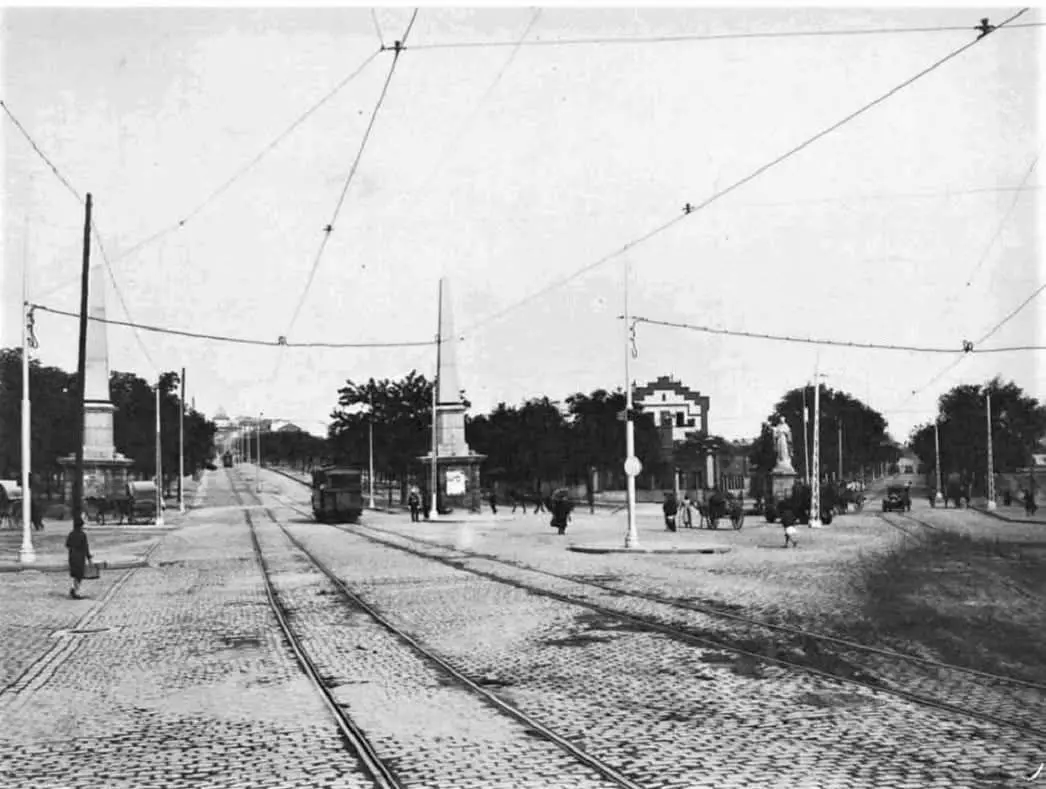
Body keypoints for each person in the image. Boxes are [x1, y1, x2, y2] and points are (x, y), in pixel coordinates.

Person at [65, 521, 92, 600]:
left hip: (72, 556)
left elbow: (67, 545)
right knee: (79, 575)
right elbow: (86, 547)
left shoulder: (71, 534)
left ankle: (73, 590)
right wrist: (89, 558)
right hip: (80, 557)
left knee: (75, 574)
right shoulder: (83, 535)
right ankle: (74, 591)